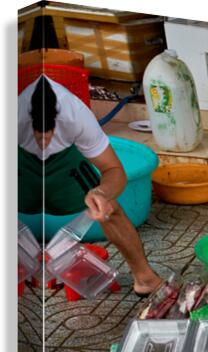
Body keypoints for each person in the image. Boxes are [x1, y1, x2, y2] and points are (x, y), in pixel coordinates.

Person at [18, 75, 162, 295]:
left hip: (65, 163)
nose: (44, 139)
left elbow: (114, 171)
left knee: (110, 207)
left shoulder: (75, 114)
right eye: (37, 132)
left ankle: (145, 279)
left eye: (50, 131)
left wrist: (102, 193)